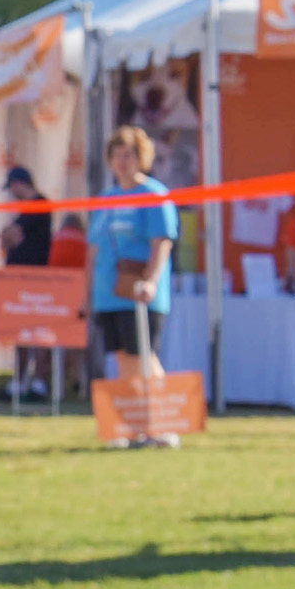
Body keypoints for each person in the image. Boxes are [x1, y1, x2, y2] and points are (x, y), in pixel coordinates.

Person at [89, 126, 179, 446]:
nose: (122, 162)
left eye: (128, 155)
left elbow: (162, 243)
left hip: (140, 293)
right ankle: (133, 426)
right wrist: (87, 293)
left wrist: (151, 281)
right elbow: (94, 249)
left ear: (141, 158)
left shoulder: (154, 195)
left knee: (143, 357)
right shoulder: (105, 199)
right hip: (107, 293)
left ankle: (164, 423)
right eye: (117, 155)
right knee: (123, 361)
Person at [0, 164, 53, 400]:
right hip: (19, 280)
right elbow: (6, 237)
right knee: (19, 331)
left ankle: (38, 383)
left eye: (12, 187)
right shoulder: (26, 210)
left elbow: (10, 235)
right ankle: (19, 382)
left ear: (20, 183)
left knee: (39, 331)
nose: (12, 193)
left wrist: (10, 237)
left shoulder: (39, 204)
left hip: (36, 279)